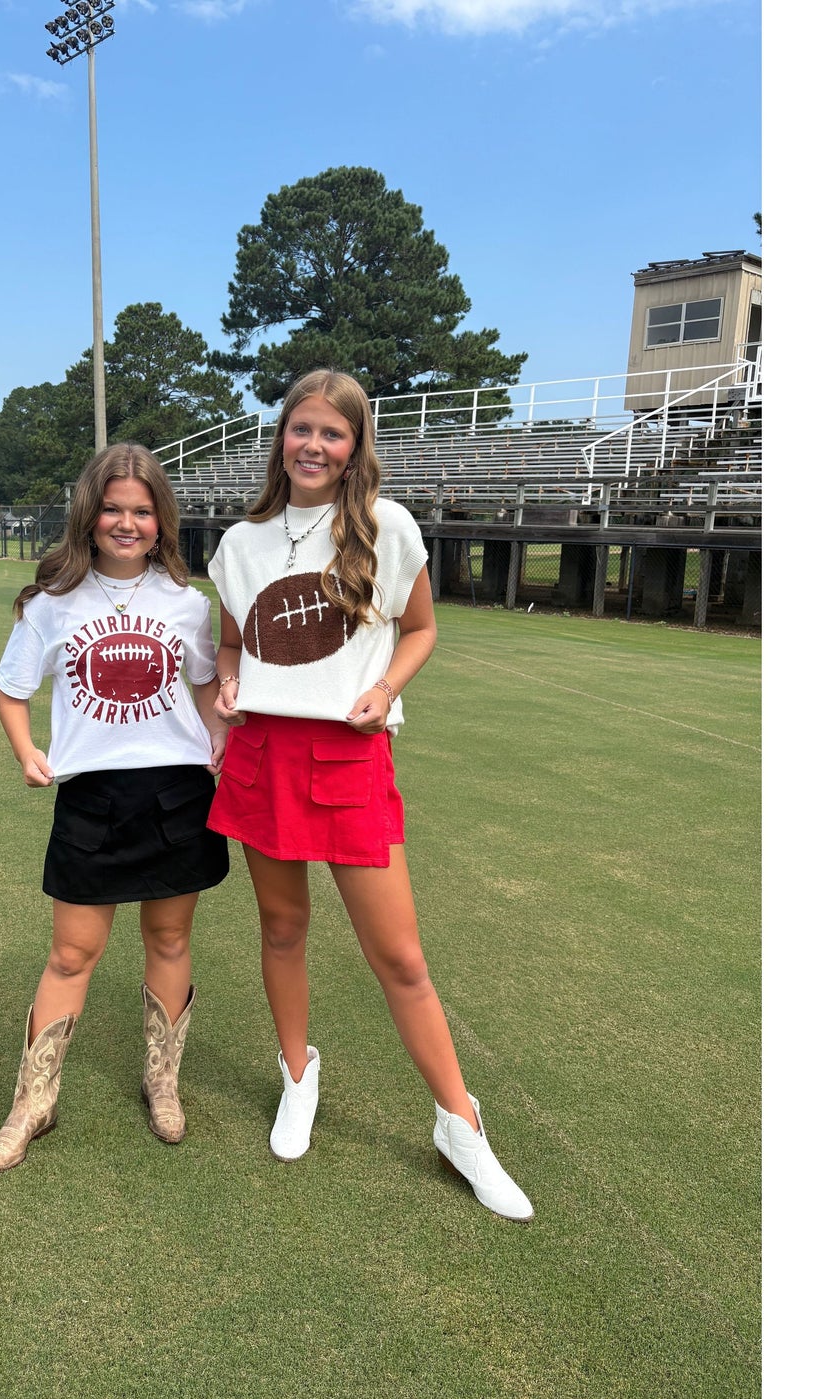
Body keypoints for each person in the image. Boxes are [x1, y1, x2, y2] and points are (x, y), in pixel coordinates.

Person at [206, 369, 533, 1221]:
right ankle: (297, 1075)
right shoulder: (240, 542)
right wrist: (228, 684)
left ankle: (459, 1124)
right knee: (282, 928)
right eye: (300, 429)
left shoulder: (387, 528)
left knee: (401, 959)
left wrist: (384, 688)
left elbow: (421, 628)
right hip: (264, 754)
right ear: (282, 436)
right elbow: (233, 644)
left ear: (355, 447)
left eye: (332, 433)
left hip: (347, 759)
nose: (312, 446)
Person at [0, 443, 229, 1176]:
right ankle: (33, 1101)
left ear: (161, 522)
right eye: (113, 509)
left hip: (176, 791)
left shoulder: (187, 604)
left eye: (142, 510)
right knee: (70, 952)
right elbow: (10, 687)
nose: (127, 522)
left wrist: (218, 734)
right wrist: (27, 751)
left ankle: (161, 1081)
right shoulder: (51, 604)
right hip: (91, 795)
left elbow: (210, 685)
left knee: (170, 941)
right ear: (89, 519)